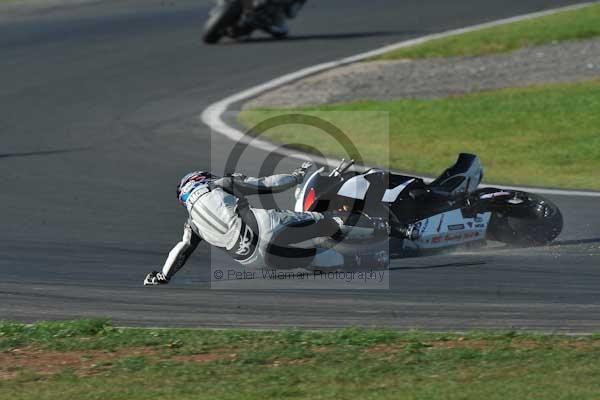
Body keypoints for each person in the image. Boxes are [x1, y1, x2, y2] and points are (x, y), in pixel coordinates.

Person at [144, 162, 384, 286]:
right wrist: (297, 177)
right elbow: (266, 184)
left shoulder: (192, 222)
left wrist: (163, 276)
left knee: (318, 260)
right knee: (326, 222)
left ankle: (358, 260)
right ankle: (389, 229)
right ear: (201, 179)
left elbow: (182, 248)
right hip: (267, 226)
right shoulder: (219, 185)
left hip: (255, 261)